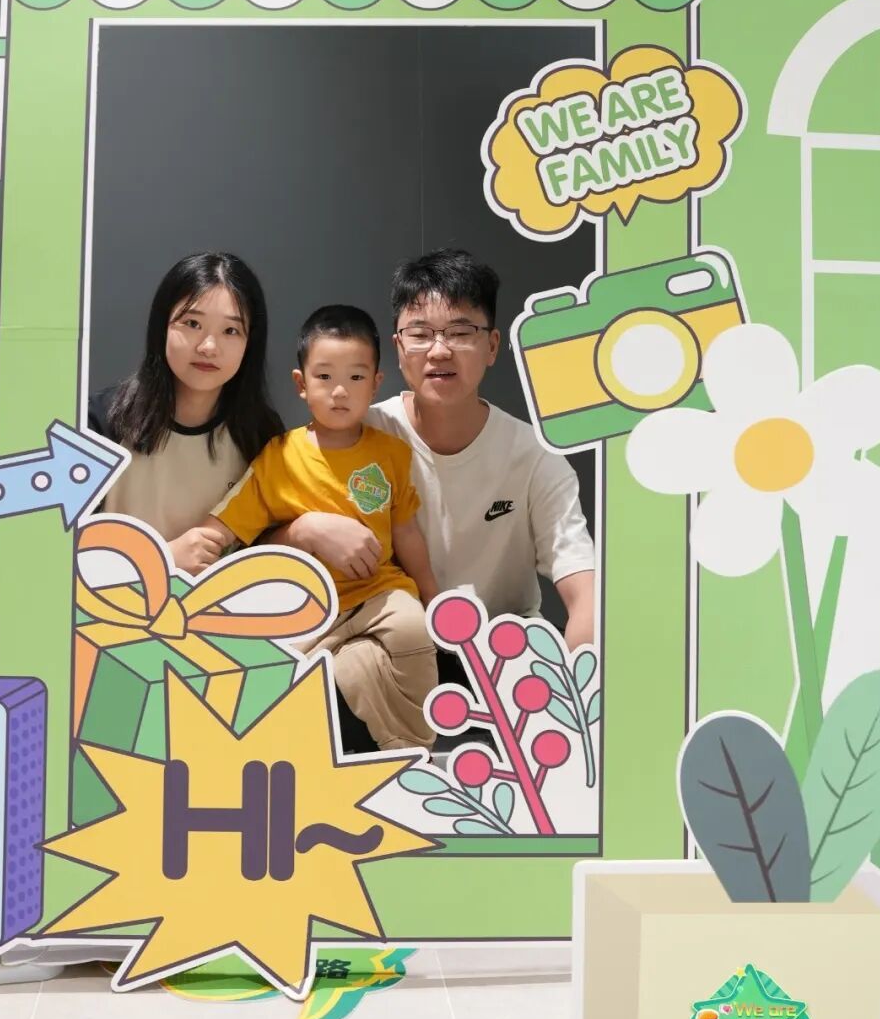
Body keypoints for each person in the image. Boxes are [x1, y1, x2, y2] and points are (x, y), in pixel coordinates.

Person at [279, 250, 596, 651]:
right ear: (398, 347)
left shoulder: (533, 455)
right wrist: (305, 530)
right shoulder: (355, 433)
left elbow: (584, 587)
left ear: (492, 346)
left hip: (503, 653)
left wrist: (578, 673)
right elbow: (261, 549)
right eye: (420, 334)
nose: (440, 350)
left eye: (461, 332)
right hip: (389, 649)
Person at [177, 305, 440, 751]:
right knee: (280, 677)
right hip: (308, 606)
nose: (340, 391)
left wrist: (433, 595)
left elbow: (406, 531)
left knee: (413, 630)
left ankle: (414, 744)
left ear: (376, 383)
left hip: (381, 591)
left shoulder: (392, 453)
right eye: (324, 377)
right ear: (301, 384)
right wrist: (199, 545)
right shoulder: (279, 456)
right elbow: (230, 524)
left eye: (355, 377)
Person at [88, 251, 283, 560]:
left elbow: (264, 553)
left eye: (231, 330)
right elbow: (52, 551)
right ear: (162, 326)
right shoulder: (100, 421)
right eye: (192, 323)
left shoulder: (261, 434)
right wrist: (162, 558)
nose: (208, 347)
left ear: (250, 344)